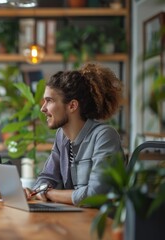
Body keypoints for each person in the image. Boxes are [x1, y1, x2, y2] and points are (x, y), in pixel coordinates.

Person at [25, 63, 124, 206]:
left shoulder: (104, 136)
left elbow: (95, 194)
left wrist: (48, 193)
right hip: (74, 218)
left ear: (72, 106)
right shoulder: (62, 137)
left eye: (49, 101)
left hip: (101, 224)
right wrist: (39, 190)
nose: (43, 108)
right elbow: (46, 177)